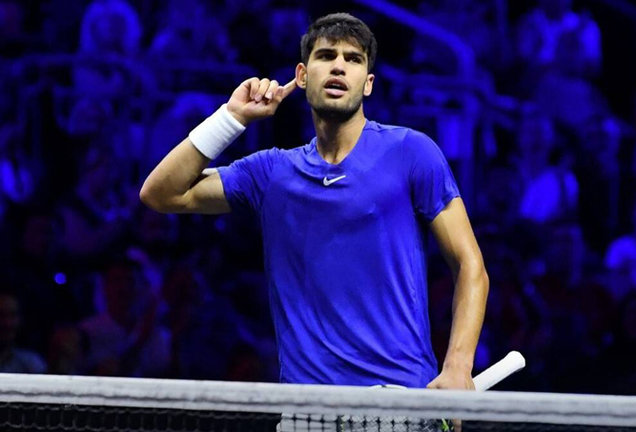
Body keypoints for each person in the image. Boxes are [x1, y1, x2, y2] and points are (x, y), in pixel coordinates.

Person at [140, 13, 488, 390]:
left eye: (353, 59)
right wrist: (232, 117)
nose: (339, 65)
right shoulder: (271, 173)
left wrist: (457, 365)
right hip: (307, 410)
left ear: (368, 84)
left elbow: (470, 264)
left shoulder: (411, 152)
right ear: (302, 76)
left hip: (400, 399)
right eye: (326, 55)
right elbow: (160, 193)